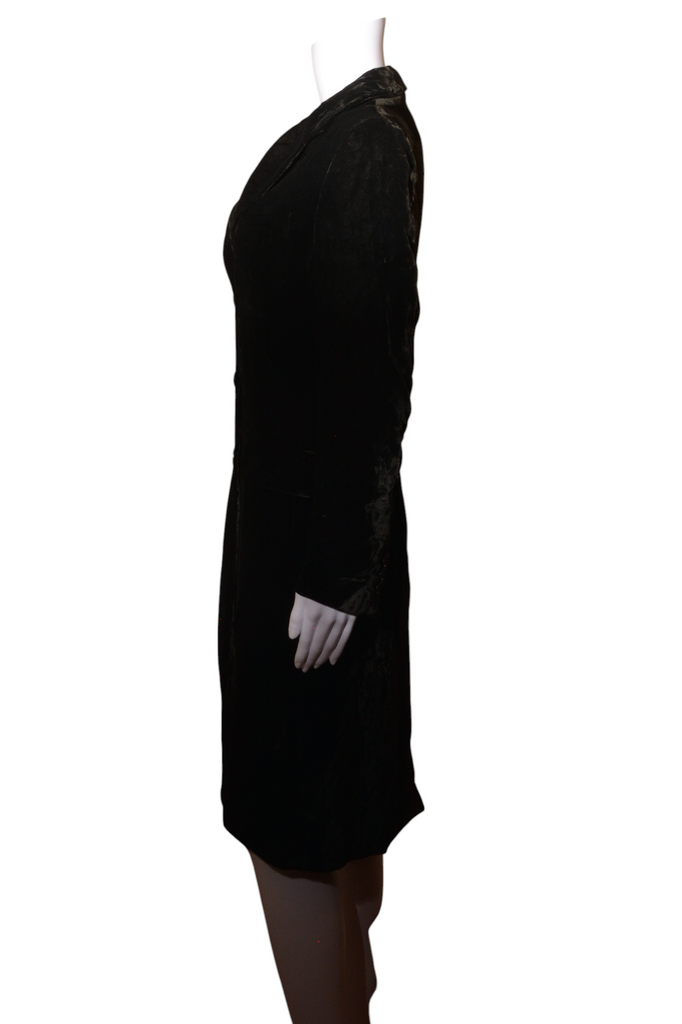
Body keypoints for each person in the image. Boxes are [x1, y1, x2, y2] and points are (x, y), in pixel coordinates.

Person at [218, 15, 425, 1023]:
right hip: (278, 531)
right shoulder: (330, 127)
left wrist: (337, 572)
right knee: (314, 812)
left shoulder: (369, 141)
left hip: (312, 558)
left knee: (295, 820)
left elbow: (375, 366)